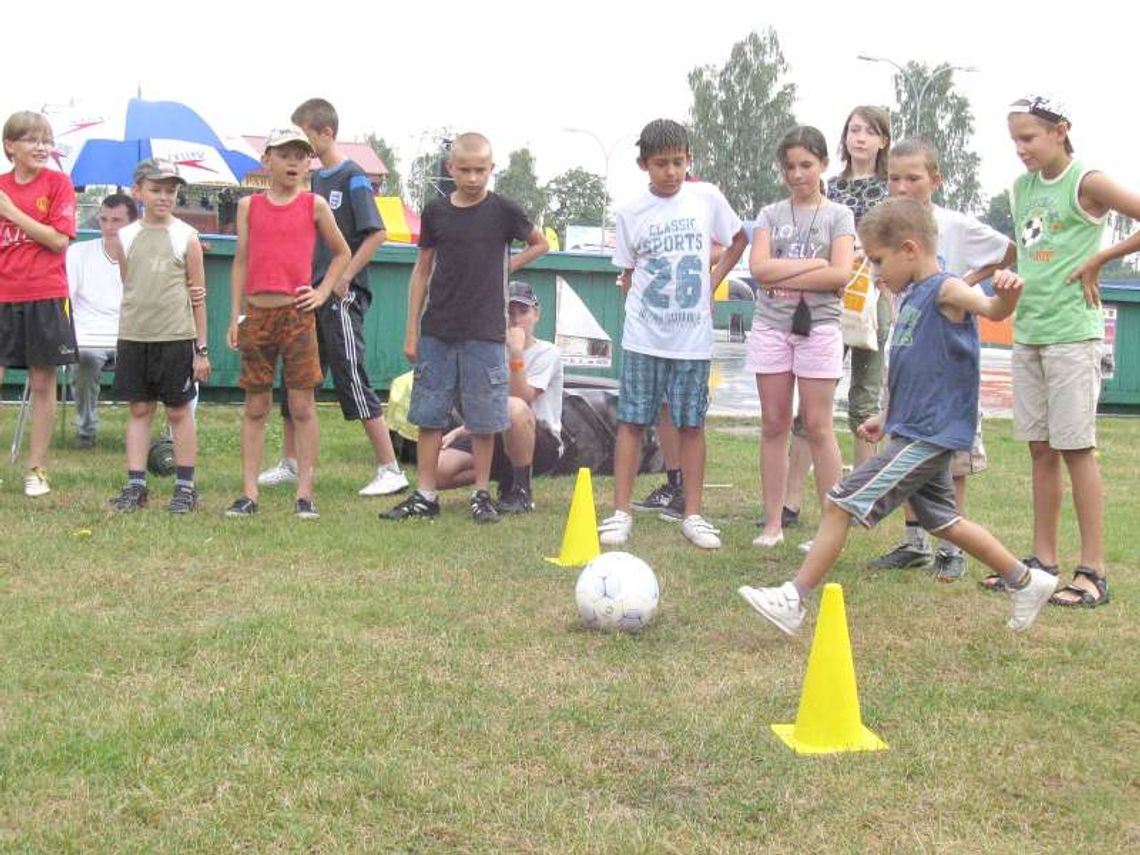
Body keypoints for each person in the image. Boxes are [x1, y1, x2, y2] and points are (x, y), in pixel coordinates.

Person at [738, 197, 1056, 635]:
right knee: (943, 520)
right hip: (912, 430)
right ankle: (1026, 581)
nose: (873, 272)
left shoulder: (946, 289)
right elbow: (914, 370)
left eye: (878, 260)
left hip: (929, 435)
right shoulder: (910, 299)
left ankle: (793, 599)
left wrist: (1007, 295)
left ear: (909, 249)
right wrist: (887, 417)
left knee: (839, 502)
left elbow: (992, 310)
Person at [993, 95, 1140, 608]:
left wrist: (1101, 258)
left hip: (1073, 333)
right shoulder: (1021, 188)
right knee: (1040, 448)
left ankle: (1093, 571)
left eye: (1029, 137)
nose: (1021, 149)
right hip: (1030, 329)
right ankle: (1042, 563)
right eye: (1014, 140)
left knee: (1076, 447)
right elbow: (1025, 250)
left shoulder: (1086, 181)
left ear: (1060, 131)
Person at [381, 132, 549, 524]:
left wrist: (506, 266)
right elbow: (421, 270)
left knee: (484, 418)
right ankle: (425, 495)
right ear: (451, 168)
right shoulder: (436, 212)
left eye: (480, 170)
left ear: (491, 169)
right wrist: (411, 330)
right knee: (429, 414)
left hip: (486, 332)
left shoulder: (503, 211)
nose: (473, 178)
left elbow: (539, 243)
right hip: (437, 330)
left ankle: (481, 494)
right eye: (465, 170)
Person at [868, 138, 1016, 580]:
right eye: (894, 178)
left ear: (935, 179)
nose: (902, 186)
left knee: (950, 456)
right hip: (907, 347)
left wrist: (965, 282)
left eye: (913, 178)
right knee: (904, 443)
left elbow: (1008, 251)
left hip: (946, 360)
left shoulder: (954, 225)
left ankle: (953, 550)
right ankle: (915, 541)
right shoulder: (887, 225)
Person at [597, 118, 747, 550]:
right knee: (632, 421)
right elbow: (627, 273)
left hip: (692, 339)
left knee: (691, 423)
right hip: (644, 336)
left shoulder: (706, 197)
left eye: (678, 162)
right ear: (643, 164)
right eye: (661, 163)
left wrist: (712, 282)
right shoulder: (630, 212)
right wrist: (636, 311)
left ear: (689, 159)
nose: (671, 172)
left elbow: (738, 239)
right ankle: (621, 512)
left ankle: (693, 513)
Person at [257, 98, 408, 498]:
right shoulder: (316, 180)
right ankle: (290, 463)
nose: (299, 149)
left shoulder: (352, 177)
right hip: (312, 295)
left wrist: (346, 276)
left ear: (326, 132)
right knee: (298, 377)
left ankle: (390, 468)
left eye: (305, 136)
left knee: (350, 372)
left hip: (341, 296)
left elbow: (376, 233)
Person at [781, 106, 893, 547]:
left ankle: (862, 502)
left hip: (872, 299)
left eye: (869, 131)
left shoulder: (890, 188)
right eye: (854, 130)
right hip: (828, 299)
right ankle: (790, 500)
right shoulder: (831, 188)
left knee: (865, 401)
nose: (860, 137)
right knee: (812, 403)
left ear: (883, 140)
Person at [226, 127, 351, 519]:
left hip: (297, 316)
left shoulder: (314, 205)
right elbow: (241, 260)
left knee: (302, 405)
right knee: (256, 405)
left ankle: (305, 493)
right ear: (267, 159)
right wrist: (235, 315)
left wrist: (322, 292)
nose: (294, 162)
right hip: (257, 314)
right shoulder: (249, 206)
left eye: (301, 155)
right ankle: (249, 493)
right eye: (285, 154)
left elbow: (342, 252)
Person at [748, 126, 854, 548]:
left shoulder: (838, 216)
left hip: (820, 327)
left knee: (817, 426)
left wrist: (785, 270)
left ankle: (830, 528)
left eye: (806, 165)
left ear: (823, 164)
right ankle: (772, 523)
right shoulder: (770, 214)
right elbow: (759, 270)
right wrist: (814, 266)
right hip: (771, 325)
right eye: (789, 166)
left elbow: (840, 274)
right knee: (774, 423)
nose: (797, 175)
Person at [106, 160, 210, 513]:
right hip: (135, 335)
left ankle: (185, 486)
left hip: (176, 336)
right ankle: (136, 484)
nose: (164, 197)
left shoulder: (186, 237)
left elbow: (198, 296)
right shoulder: (125, 236)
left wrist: (201, 349)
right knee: (139, 408)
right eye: (156, 190)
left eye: (171, 191)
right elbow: (129, 281)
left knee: (178, 410)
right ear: (138, 192)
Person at [0, 111, 78, 497]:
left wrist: (11, 212)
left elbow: (58, 240)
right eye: (32, 140)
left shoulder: (58, 184)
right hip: (3, 294)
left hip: (45, 294)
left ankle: (36, 469)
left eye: (47, 141)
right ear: (10, 146)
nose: (42, 147)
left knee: (43, 381)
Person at [436, 280, 563, 512]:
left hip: (540, 440)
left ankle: (521, 490)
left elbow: (521, 398)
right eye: (509, 313)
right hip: (494, 433)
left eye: (523, 312)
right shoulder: (488, 352)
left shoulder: (548, 352)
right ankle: (503, 475)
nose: (516, 320)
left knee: (513, 407)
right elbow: (484, 403)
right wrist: (462, 430)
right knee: (439, 471)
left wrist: (516, 353)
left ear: (536, 314)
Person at [66, 192, 136, 448]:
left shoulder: (142, 256)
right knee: (84, 358)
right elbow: (67, 299)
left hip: (132, 334)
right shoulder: (78, 252)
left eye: (116, 220)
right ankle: (86, 429)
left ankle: (158, 433)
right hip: (88, 335)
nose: (108, 226)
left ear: (132, 222)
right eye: (104, 219)